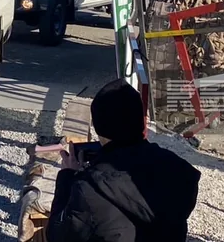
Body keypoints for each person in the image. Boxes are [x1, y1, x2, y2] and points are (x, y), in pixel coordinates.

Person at [47, 79, 200, 242]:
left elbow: (57, 236)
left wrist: (67, 178)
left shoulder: (88, 189)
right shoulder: (181, 170)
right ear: (142, 122)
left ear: (99, 127)